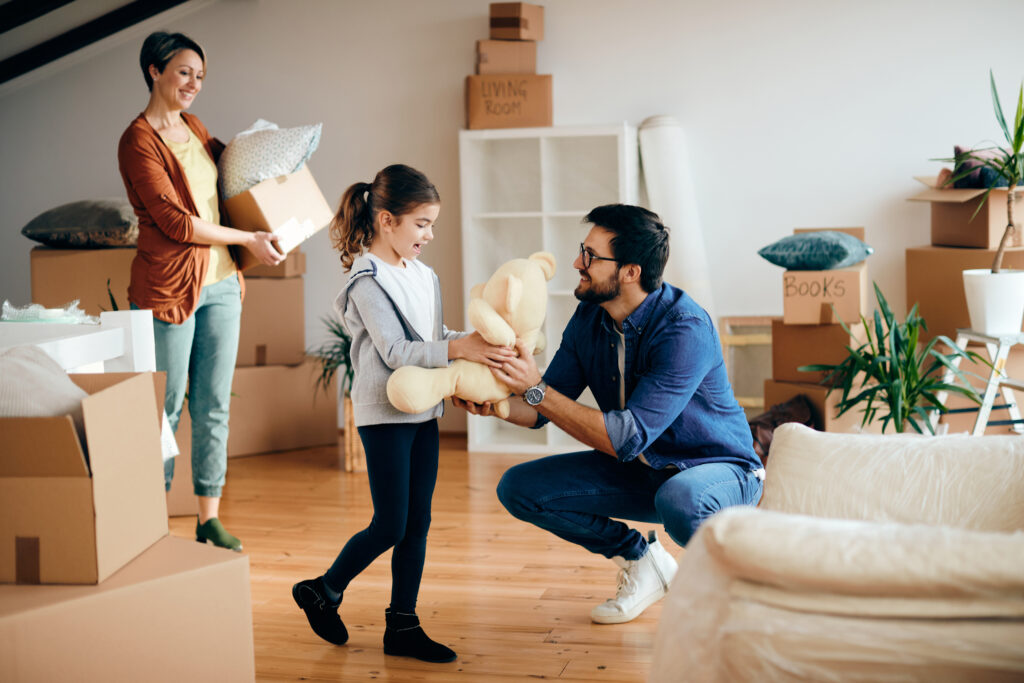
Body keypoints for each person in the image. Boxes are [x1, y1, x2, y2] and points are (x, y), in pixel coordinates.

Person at [455, 204, 765, 624]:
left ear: (631, 272)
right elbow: (543, 408)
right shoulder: (589, 317)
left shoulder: (684, 327)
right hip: (645, 471)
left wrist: (533, 388)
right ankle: (643, 561)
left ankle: (752, 595)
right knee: (520, 487)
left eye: (591, 257)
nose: (576, 264)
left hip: (719, 470)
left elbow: (623, 436)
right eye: (582, 251)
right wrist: (495, 405)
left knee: (682, 498)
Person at [291, 164, 515, 663]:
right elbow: (395, 350)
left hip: (423, 410)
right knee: (390, 524)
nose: (429, 234)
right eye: (421, 224)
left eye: (432, 223)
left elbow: (430, 335)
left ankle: (402, 626)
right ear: (387, 220)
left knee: (418, 523)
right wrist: (459, 351)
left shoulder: (424, 275)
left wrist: (478, 344)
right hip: (384, 412)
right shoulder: (366, 280)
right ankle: (322, 590)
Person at [117, 32, 284, 552]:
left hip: (221, 286)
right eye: (185, 72)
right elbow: (174, 221)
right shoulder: (138, 141)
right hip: (169, 289)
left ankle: (208, 517)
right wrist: (249, 239)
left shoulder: (195, 127)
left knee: (212, 406)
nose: (194, 84)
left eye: (201, 76)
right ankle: (151, 521)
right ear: (154, 70)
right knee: (164, 409)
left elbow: (228, 178)